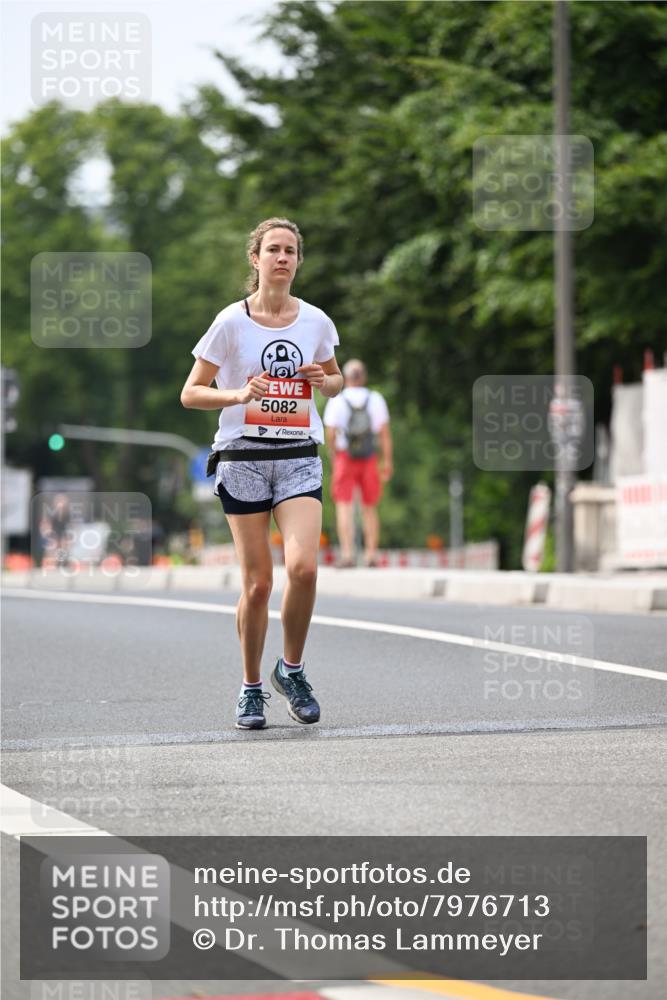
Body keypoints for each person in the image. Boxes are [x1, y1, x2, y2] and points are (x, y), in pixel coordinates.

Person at [181, 218, 343, 730]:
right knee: (257, 585)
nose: (282, 258)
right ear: (256, 259)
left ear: (298, 261)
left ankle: (290, 671)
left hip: (298, 455)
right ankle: (251, 687)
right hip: (242, 459)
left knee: (304, 569)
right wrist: (238, 394)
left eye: (290, 250)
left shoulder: (315, 321)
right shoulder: (231, 322)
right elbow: (190, 393)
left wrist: (324, 381)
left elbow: (335, 379)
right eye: (273, 249)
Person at [323, 359, 392, 567]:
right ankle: (371, 555)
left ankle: (347, 554)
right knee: (370, 506)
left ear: (345, 377)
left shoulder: (337, 400)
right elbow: (384, 433)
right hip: (369, 456)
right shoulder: (375, 399)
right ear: (364, 377)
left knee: (344, 506)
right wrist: (387, 461)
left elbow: (330, 433)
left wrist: (333, 454)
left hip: (345, 457)